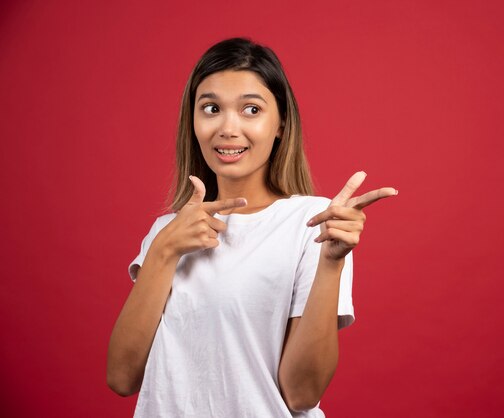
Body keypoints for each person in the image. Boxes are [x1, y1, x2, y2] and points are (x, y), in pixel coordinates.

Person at [107, 37, 397, 417]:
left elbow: (302, 394)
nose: (228, 128)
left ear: (280, 125)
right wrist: (164, 250)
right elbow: (122, 377)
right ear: (192, 122)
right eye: (211, 108)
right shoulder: (168, 231)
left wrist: (331, 262)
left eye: (251, 109)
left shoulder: (313, 222)